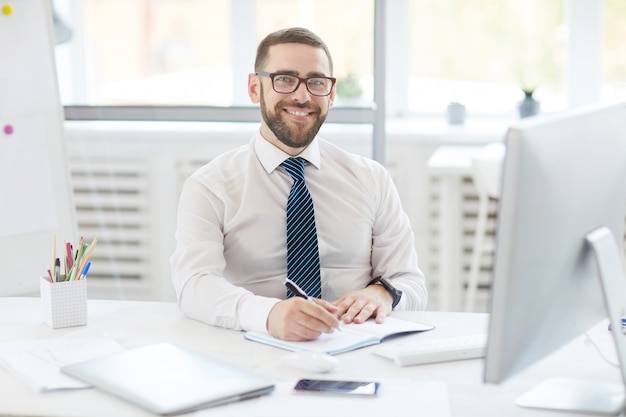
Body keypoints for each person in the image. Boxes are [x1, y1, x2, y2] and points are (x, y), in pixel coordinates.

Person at [170, 27, 427, 342]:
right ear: (254, 87)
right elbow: (193, 284)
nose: (302, 96)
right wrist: (268, 315)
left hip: (356, 348)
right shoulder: (210, 186)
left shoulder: (371, 178)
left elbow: (410, 282)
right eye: (285, 79)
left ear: (331, 94)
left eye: (316, 82)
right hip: (253, 346)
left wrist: (382, 294)